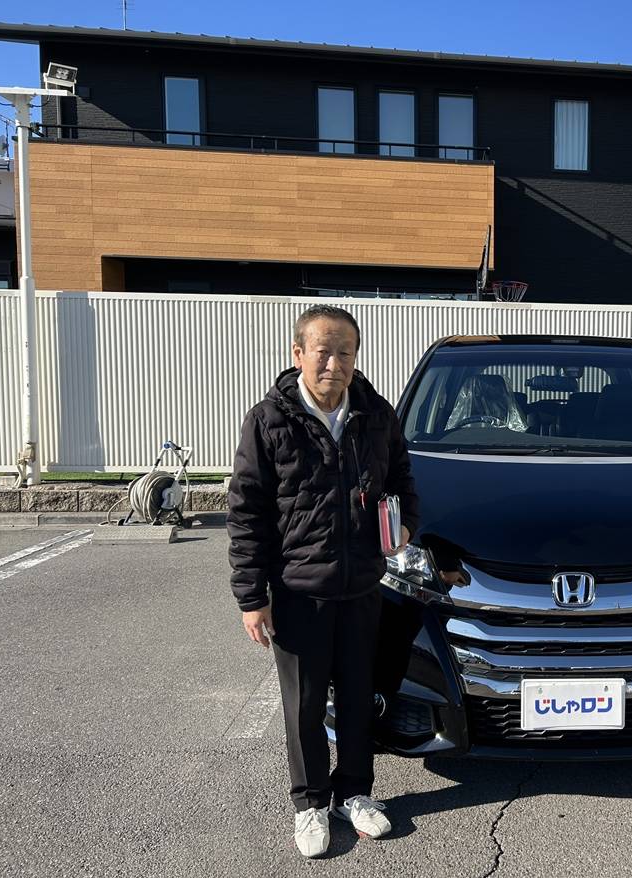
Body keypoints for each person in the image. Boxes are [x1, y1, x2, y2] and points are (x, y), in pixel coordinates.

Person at [228, 304, 419, 857]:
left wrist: (405, 522)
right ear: (298, 354)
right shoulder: (269, 421)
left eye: (346, 353)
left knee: (359, 698)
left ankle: (355, 793)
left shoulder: (376, 415)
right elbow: (246, 513)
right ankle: (310, 804)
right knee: (306, 707)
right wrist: (251, 597)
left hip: (363, 586)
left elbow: (404, 478)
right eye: (323, 351)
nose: (334, 363)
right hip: (298, 592)